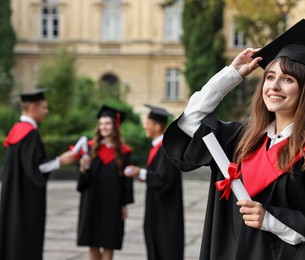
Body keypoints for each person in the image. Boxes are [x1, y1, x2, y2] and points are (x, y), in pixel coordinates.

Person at [162, 19, 305, 260]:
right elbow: (190, 122)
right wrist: (232, 75)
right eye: (269, 77)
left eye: (288, 79)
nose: (274, 86)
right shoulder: (239, 139)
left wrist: (272, 219)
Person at [0, 89, 76, 260]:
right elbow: (36, 168)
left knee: (13, 235)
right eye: (44, 108)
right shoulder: (30, 134)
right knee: (26, 238)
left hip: (13, 197)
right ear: (33, 107)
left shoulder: (17, 130)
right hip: (27, 200)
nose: (46, 112)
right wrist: (60, 161)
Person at [124, 104, 184, 260]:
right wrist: (140, 175)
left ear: (158, 126)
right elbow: (158, 175)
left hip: (166, 210)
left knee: (165, 247)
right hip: (157, 207)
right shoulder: (158, 147)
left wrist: (141, 172)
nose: (145, 126)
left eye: (148, 123)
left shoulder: (166, 148)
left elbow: (164, 179)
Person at [76, 105, 134, 260]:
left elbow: (126, 182)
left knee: (109, 242)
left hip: (112, 203)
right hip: (91, 201)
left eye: (107, 123)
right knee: (92, 241)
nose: (104, 127)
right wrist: (83, 167)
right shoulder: (89, 148)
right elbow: (82, 181)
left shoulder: (124, 151)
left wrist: (124, 204)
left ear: (115, 126)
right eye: (101, 124)